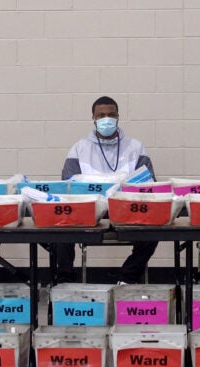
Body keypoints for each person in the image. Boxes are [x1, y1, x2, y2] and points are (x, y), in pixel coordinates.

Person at [56, 96, 158, 285]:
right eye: (101, 115)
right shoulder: (79, 148)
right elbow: (68, 186)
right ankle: (65, 283)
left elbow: (149, 185)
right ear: (93, 118)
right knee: (62, 228)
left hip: (126, 210)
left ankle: (127, 278)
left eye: (111, 114)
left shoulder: (136, 147)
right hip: (89, 211)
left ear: (118, 116)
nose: (106, 119)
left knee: (153, 231)